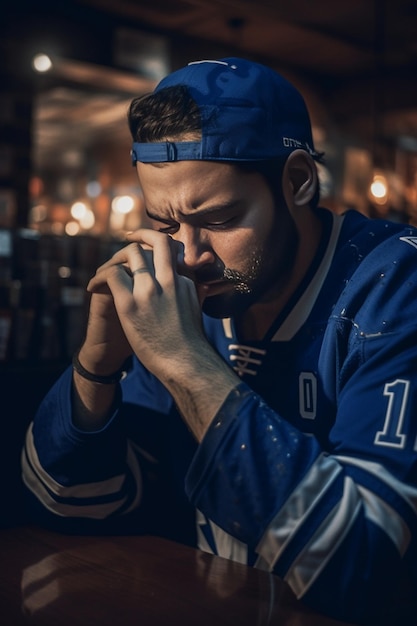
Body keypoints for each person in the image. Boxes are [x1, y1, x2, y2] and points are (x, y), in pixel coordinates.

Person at [22, 58, 417, 625]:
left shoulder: (394, 284)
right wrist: (96, 367)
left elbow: (360, 563)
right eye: (165, 225)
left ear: (298, 181)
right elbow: (72, 501)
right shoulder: (193, 293)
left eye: (222, 218)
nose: (188, 257)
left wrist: (185, 363)